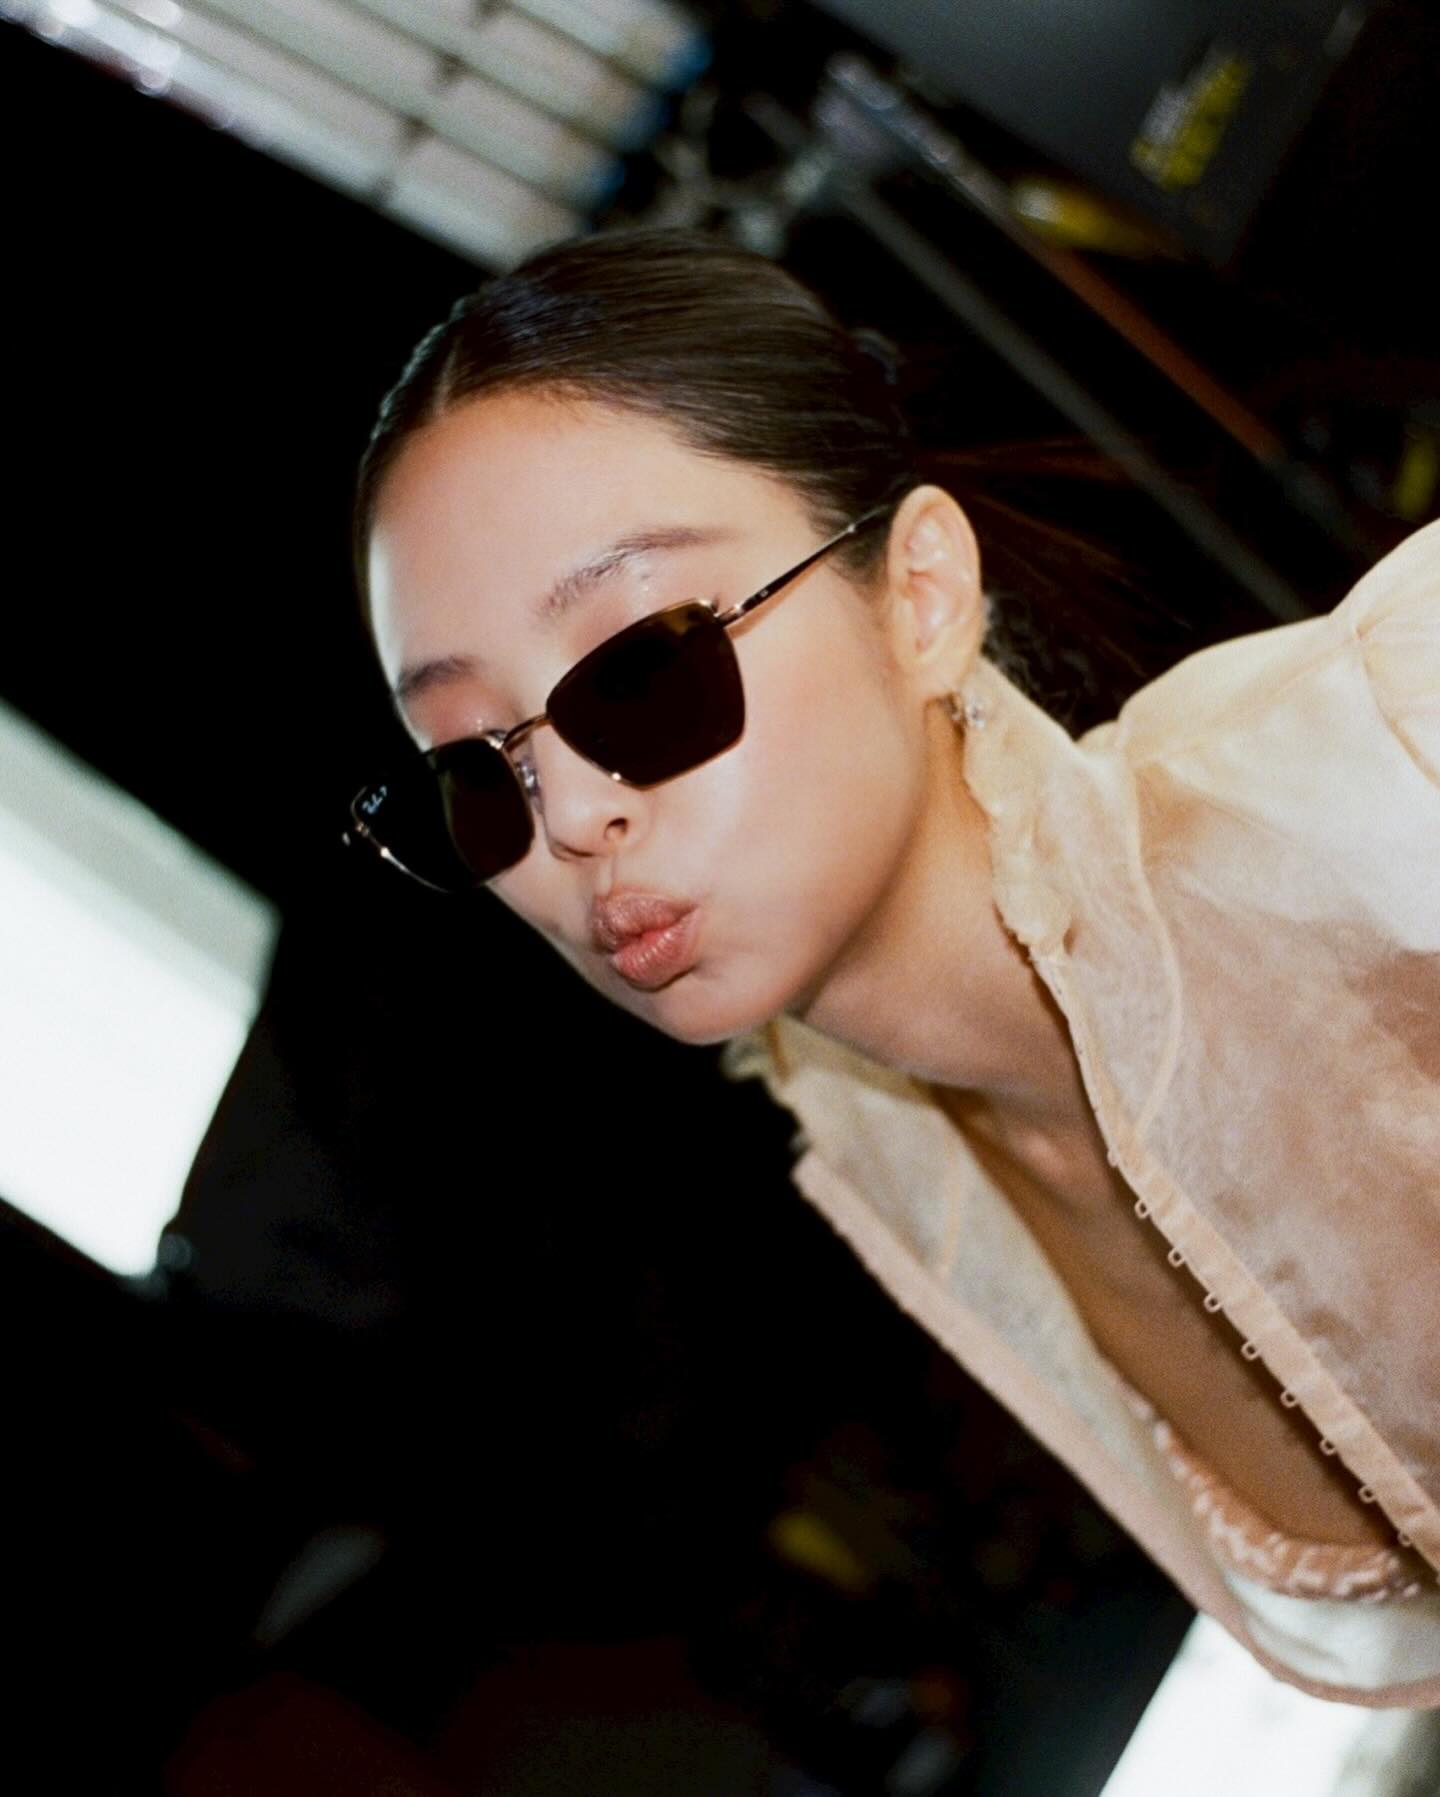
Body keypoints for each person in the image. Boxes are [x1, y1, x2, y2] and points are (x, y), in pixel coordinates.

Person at [346, 228, 1440, 1706]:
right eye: (476, 768)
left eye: (644, 664)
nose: (575, 817)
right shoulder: (900, 1174)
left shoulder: (1387, 753)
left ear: (919, 594)